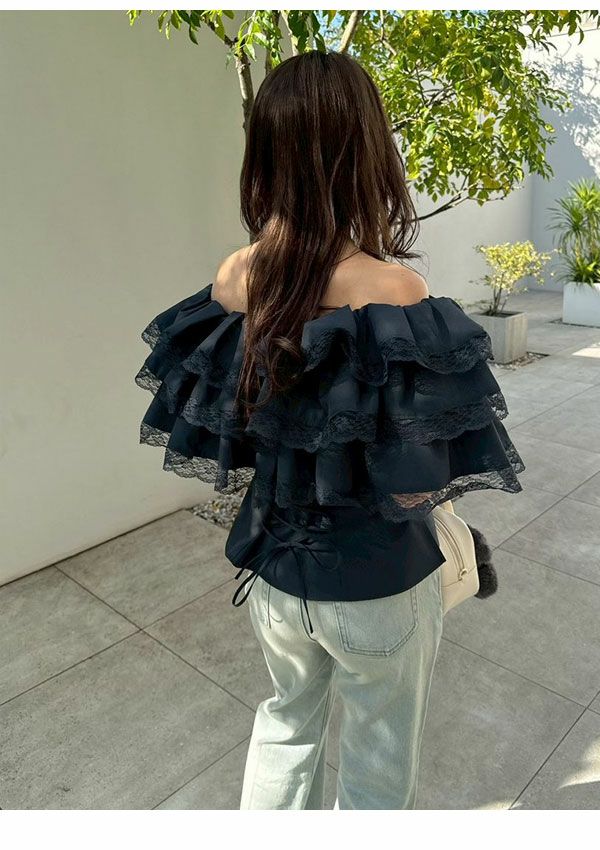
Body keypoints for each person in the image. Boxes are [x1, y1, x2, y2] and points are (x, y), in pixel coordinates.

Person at [134, 49, 524, 810]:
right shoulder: (394, 289)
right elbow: (420, 471)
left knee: (285, 727)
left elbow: (227, 432)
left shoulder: (234, 277)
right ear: (365, 153)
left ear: (266, 156)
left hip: (276, 580)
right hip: (378, 582)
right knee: (378, 762)